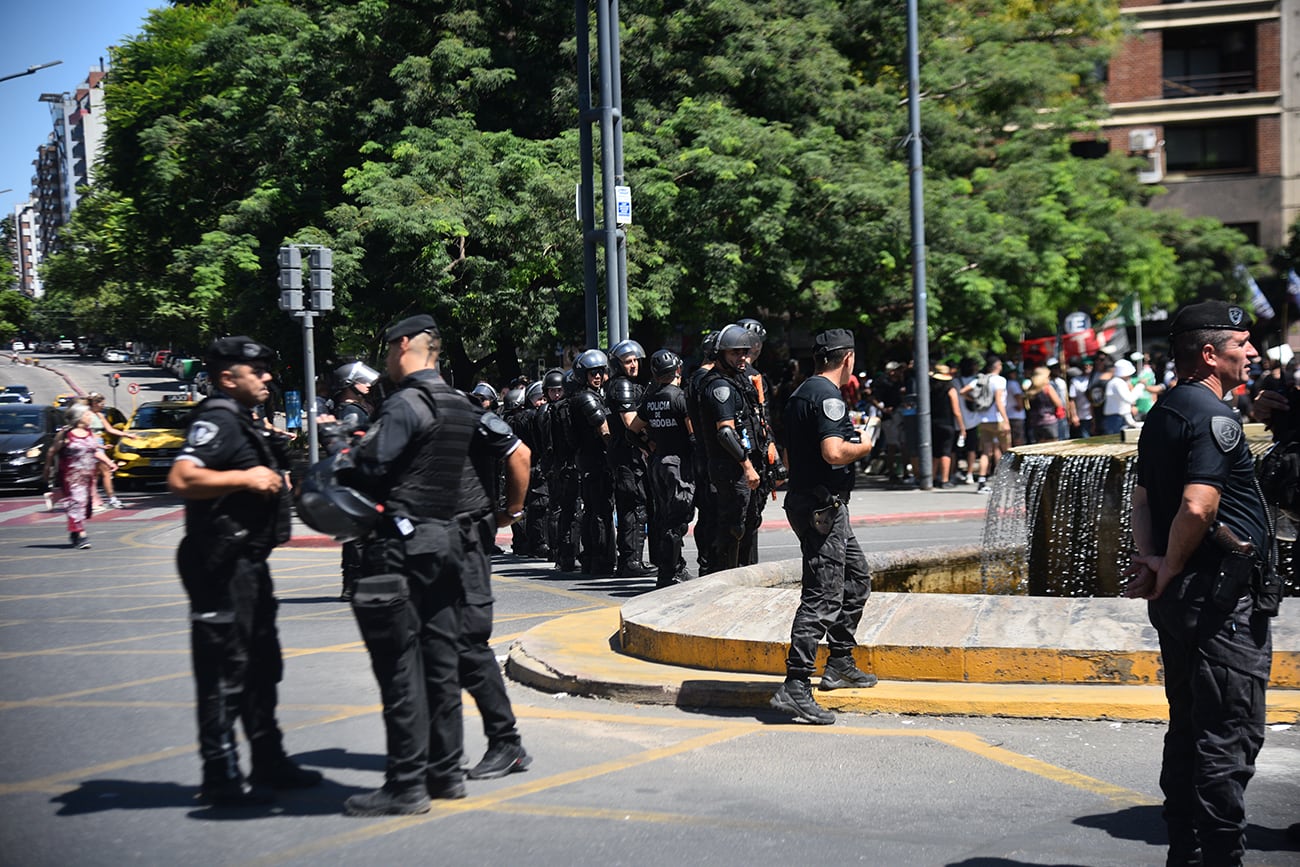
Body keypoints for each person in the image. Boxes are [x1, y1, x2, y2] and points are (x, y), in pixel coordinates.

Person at [339, 314, 532, 816]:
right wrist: (504, 513)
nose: (385, 361)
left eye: (387, 350)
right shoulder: (458, 402)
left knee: (404, 667)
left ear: (404, 345)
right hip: (449, 545)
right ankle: (445, 771)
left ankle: (408, 784)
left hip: (405, 551)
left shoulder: (407, 403)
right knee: (444, 662)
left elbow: (365, 473)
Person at [1124, 300, 1274, 867]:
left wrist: (1154, 558)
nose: (1253, 353)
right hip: (1221, 606)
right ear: (1210, 354)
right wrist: (1170, 563)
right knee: (1227, 738)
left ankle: (1182, 851)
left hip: (1184, 602)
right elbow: (1198, 503)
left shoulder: (1164, 413)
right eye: (1242, 346)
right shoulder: (1216, 418)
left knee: (1187, 729)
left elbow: (1141, 499)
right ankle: (1220, 856)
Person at [167, 336, 320, 806]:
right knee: (224, 672)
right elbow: (182, 477)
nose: (268, 376)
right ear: (229, 377)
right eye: (258, 371)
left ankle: (268, 759)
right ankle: (220, 773)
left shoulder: (242, 421)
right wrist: (246, 477)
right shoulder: (216, 419)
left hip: (247, 565)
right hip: (220, 563)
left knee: (260, 666)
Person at [770, 329, 877, 725]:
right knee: (823, 595)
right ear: (847, 359)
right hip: (821, 508)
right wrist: (865, 446)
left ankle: (840, 662)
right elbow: (834, 453)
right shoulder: (829, 397)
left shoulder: (802, 393)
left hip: (817, 503)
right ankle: (795, 685)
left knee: (857, 579)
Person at [698, 325, 763, 571]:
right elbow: (725, 432)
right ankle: (724, 578)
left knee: (745, 523)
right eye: (735, 353)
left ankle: (739, 574)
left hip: (737, 466)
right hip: (730, 468)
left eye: (744, 352)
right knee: (733, 526)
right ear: (721, 354)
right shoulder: (720, 386)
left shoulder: (736, 381)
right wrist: (746, 466)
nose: (742, 358)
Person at [629, 349, 695, 587]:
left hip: (657, 463)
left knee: (664, 516)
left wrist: (649, 446)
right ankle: (670, 573)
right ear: (677, 370)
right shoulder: (679, 398)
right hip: (677, 465)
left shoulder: (651, 400)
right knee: (676, 520)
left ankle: (671, 568)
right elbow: (693, 437)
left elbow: (632, 431)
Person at [318, 361, 380, 602]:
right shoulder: (351, 411)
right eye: (362, 381)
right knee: (357, 535)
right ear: (348, 385)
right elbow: (354, 446)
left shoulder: (356, 407)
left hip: (357, 476)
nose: (367, 385)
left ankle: (355, 582)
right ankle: (352, 584)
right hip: (355, 477)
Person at [606, 339, 654, 577]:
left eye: (635, 360)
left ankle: (631, 559)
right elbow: (630, 422)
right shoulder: (622, 385)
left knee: (633, 505)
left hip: (628, 453)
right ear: (618, 364)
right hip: (626, 454)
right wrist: (651, 441)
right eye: (628, 361)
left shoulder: (628, 384)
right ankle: (631, 561)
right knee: (634, 506)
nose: (633, 365)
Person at [570, 349, 617, 576]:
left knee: (593, 510)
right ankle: (600, 558)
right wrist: (615, 452)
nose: (597, 376)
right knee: (600, 511)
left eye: (600, 372)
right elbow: (603, 428)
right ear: (583, 375)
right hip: (594, 461)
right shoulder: (587, 398)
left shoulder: (586, 395)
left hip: (588, 461)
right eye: (592, 373)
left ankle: (591, 558)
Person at [49, 405, 116, 548]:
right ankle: (81, 535)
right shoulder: (66, 434)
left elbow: (94, 451)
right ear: (79, 417)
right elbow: (52, 451)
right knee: (76, 503)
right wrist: (46, 469)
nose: (90, 417)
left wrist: (109, 462)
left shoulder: (89, 432)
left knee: (84, 506)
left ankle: (74, 532)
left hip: (87, 476)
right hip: (70, 475)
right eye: (87, 414)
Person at [974, 357, 1009, 493]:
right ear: (997, 366)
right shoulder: (1000, 380)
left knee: (986, 451)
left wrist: (979, 403)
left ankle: (982, 481)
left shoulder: (982, 379)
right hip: (997, 419)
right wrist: (1006, 420)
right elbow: (999, 402)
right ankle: (1006, 479)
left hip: (983, 420)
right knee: (1007, 450)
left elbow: (964, 391)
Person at [84, 393, 126, 509]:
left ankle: (93, 498)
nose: (103, 406)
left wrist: (126, 434)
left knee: (97, 474)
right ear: (95, 403)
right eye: (102, 404)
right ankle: (110, 499)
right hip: (91, 446)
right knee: (104, 472)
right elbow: (84, 433)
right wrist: (98, 446)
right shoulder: (86, 415)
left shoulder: (100, 415)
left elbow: (110, 429)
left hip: (99, 445)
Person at [928, 363, 962, 487]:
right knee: (945, 452)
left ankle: (931, 478)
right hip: (947, 423)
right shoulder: (950, 389)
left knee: (935, 453)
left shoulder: (930, 389)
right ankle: (944, 479)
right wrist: (962, 427)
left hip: (932, 423)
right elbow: (956, 410)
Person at [1102, 358, 1144, 434]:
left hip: (1118, 417)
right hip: (1116, 418)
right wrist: (1140, 386)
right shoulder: (1118, 383)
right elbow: (1129, 399)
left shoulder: (1117, 382)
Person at [1024, 366, 1065, 443]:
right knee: (1052, 445)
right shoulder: (1047, 388)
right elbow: (1058, 403)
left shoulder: (1030, 389)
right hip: (1049, 421)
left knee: (1040, 445)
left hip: (1035, 422)